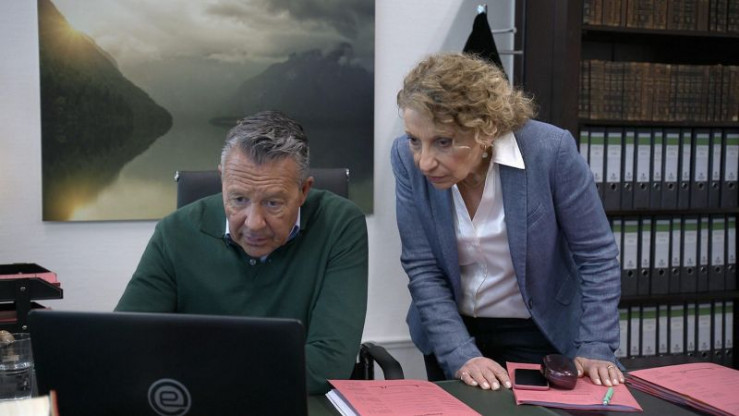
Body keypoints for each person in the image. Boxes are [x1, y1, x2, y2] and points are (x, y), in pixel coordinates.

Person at [391, 53, 623, 391]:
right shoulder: (404, 158)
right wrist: (459, 353)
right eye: (415, 140)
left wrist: (596, 344)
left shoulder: (550, 152)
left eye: (443, 142)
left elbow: (597, 257)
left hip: (540, 332)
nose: (424, 162)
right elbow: (423, 267)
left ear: (486, 129)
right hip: (451, 330)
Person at [116, 110, 368, 394]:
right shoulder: (174, 232)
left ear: (303, 191)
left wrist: (196, 366)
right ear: (222, 180)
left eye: (273, 203)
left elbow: (328, 365)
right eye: (238, 199)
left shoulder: (340, 224)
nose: (254, 223)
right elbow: (126, 344)